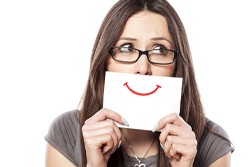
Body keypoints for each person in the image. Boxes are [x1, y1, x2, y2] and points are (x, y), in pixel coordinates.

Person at [45, 0, 234, 166]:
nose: (143, 67)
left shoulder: (212, 143)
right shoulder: (67, 132)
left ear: (177, 64)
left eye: (160, 49)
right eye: (127, 48)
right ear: (105, 60)